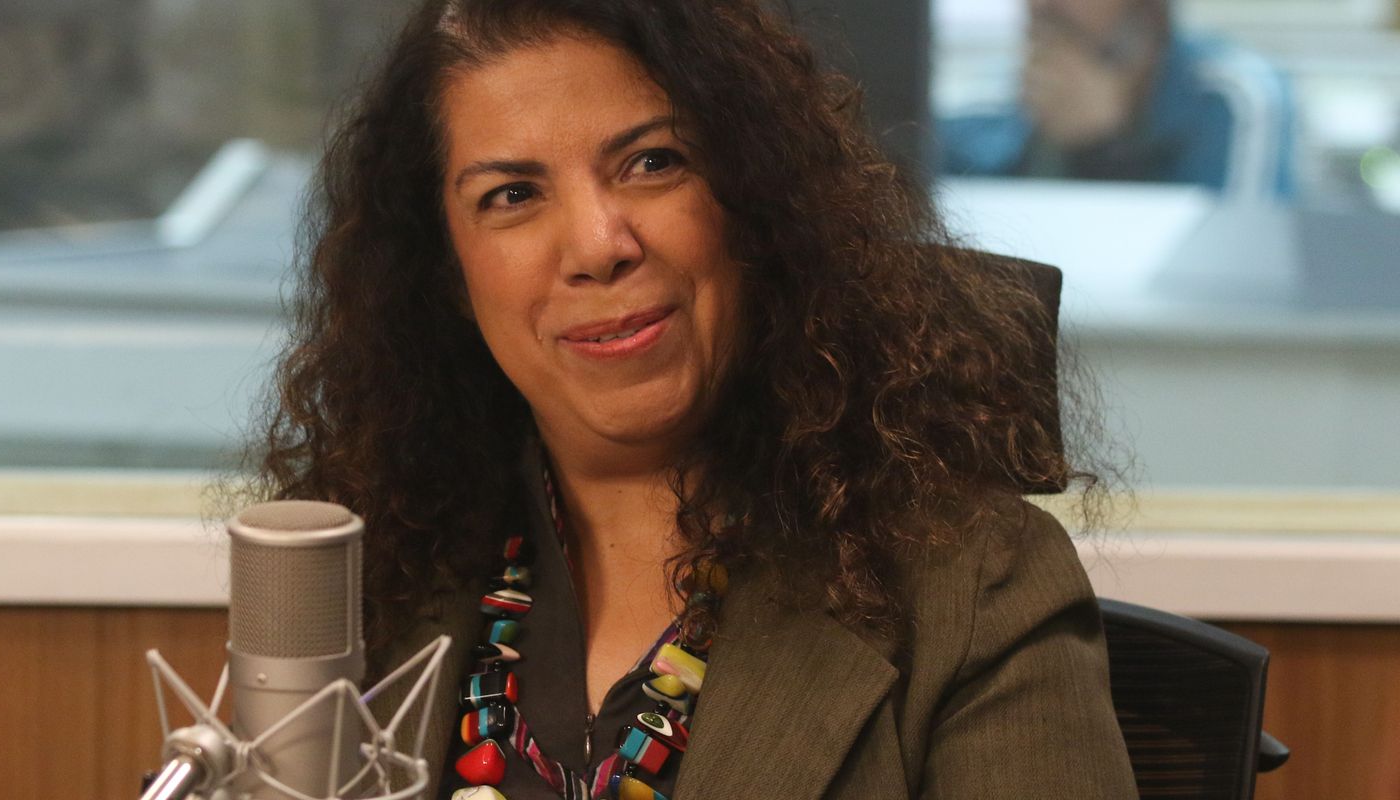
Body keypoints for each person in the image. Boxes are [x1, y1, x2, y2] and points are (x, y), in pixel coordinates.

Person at [253, 0, 1138, 797]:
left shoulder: (975, 587)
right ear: (448, 272)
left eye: (652, 162)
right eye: (512, 195)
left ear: (751, 202)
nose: (598, 245)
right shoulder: (374, 579)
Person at [940, 0, 1296, 200]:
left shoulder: (1230, 99)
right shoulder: (1001, 104)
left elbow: (1233, 273)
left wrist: (1103, 150)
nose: (1043, 5)